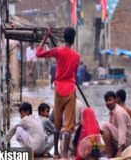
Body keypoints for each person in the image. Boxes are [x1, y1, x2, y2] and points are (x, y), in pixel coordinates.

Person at [36, 27, 80, 159]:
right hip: (70, 89)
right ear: (73, 40)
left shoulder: (58, 51)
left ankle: (56, 152)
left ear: (64, 38)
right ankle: (65, 155)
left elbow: (38, 53)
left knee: (57, 124)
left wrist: (45, 38)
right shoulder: (76, 56)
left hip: (58, 89)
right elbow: (75, 75)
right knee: (68, 126)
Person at [101, 91, 131, 158]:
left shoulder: (119, 112)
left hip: (125, 143)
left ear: (115, 100)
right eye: (106, 101)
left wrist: (120, 151)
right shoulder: (113, 111)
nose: (108, 103)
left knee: (104, 125)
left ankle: (110, 153)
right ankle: (111, 151)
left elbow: (122, 131)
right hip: (118, 140)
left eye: (110, 100)